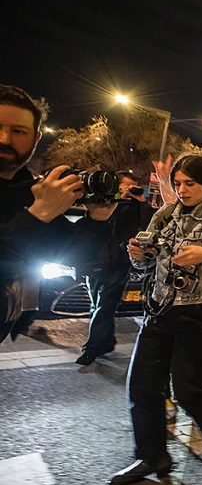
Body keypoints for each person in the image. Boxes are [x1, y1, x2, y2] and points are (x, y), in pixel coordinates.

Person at [112, 154, 202, 485]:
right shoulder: (164, 214)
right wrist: (139, 255)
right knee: (142, 384)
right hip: (161, 308)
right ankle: (151, 455)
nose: (182, 190)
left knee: (189, 388)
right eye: (177, 184)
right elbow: (146, 263)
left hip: (200, 312)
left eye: (190, 183)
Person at [1, 84, 117, 344]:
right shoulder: (36, 201)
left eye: (18, 131)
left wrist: (98, 218)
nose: (5, 139)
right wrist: (37, 214)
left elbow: (70, 254)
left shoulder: (28, 190)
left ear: (35, 138)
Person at [76, 171, 154, 365]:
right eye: (125, 185)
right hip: (95, 261)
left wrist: (141, 202)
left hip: (119, 262)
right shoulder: (104, 202)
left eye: (132, 185)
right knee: (96, 303)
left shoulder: (136, 206)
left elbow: (148, 226)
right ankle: (106, 341)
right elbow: (93, 225)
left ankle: (91, 349)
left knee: (104, 305)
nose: (129, 188)